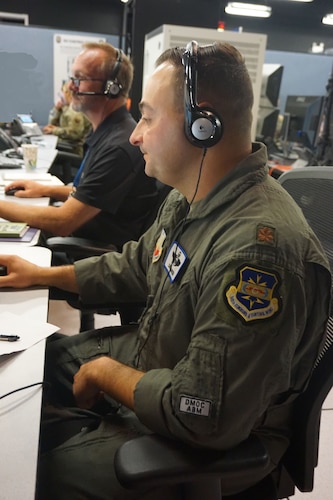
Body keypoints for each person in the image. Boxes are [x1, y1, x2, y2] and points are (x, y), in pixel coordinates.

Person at [0, 41, 331, 500]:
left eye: (150, 117)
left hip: (204, 434)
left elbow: (204, 412)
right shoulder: (194, 193)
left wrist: (104, 373)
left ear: (203, 126)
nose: (136, 135)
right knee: (37, 367)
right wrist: (41, 275)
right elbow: (139, 265)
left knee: (24, 469)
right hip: (165, 354)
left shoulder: (255, 256)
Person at [0, 42, 158, 249]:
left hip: (95, 252)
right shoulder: (107, 132)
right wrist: (46, 189)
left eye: (79, 79)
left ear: (111, 88)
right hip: (83, 229)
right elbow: (91, 192)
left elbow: (63, 222)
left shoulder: (119, 145)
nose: (71, 86)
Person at [43, 80, 91, 156]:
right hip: (68, 145)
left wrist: (54, 130)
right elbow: (51, 124)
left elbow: (74, 133)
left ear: (69, 93)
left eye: (63, 92)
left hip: (75, 150)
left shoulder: (75, 111)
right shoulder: (66, 108)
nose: (61, 95)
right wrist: (57, 110)